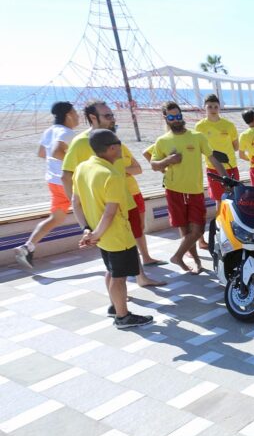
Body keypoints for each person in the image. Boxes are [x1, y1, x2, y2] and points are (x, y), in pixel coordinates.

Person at [60, 100, 162, 286]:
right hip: (103, 207)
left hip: (124, 201)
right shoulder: (80, 143)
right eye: (107, 116)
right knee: (112, 256)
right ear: (93, 117)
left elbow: (131, 167)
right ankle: (118, 300)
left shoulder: (111, 139)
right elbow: (66, 176)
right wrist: (79, 209)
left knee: (129, 242)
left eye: (112, 115)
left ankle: (139, 279)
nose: (112, 119)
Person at [72, 129, 154, 330]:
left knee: (111, 271)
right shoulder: (111, 175)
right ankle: (123, 317)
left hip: (100, 235)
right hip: (117, 235)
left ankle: (115, 306)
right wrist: (95, 235)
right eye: (118, 143)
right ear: (112, 148)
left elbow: (75, 202)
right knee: (119, 278)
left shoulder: (82, 168)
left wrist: (87, 231)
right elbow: (110, 212)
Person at [150, 101, 227, 274]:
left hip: (195, 190)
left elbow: (213, 158)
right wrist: (168, 161)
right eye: (172, 117)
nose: (176, 119)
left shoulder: (196, 136)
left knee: (198, 228)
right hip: (174, 190)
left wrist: (226, 179)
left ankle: (177, 256)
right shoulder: (162, 141)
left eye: (178, 116)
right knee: (184, 229)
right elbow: (154, 164)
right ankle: (197, 262)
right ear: (166, 118)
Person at [15, 102, 80, 269]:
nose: (78, 116)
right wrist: (76, 163)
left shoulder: (49, 131)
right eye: (75, 113)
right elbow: (56, 152)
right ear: (68, 115)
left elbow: (42, 153)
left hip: (53, 181)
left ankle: (27, 246)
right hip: (67, 182)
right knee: (91, 210)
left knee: (56, 218)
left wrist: (55, 165)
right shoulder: (67, 133)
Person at [195, 94, 240, 216]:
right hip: (212, 168)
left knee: (234, 197)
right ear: (205, 108)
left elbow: (236, 146)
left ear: (219, 107)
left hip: (230, 166)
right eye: (210, 107)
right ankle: (220, 225)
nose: (213, 109)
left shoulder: (229, 125)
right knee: (219, 200)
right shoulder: (199, 126)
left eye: (216, 106)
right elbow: (198, 148)